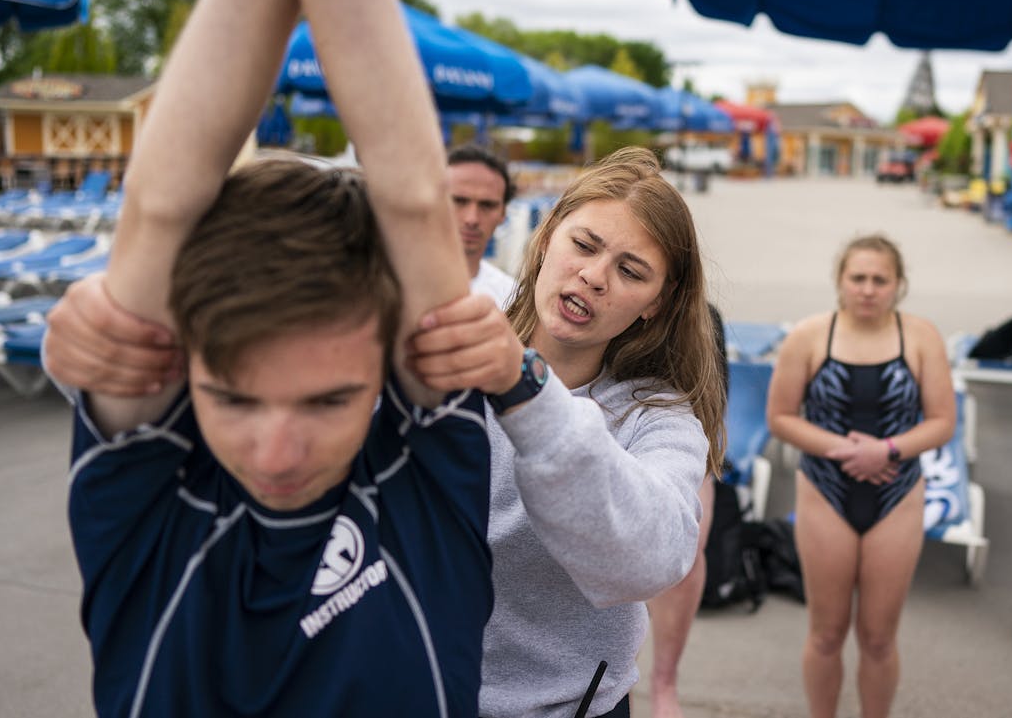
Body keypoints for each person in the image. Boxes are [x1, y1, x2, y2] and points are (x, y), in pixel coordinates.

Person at [41, 0, 495, 715]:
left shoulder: (423, 481)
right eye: (232, 395)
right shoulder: (145, 501)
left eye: (330, 397)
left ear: (388, 364)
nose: (277, 448)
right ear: (184, 364)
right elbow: (161, 206)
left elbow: (414, 198)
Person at [51, 145, 726, 718]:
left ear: (656, 303)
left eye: (630, 271)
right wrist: (100, 339)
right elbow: (279, 372)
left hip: (563, 705)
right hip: (393, 686)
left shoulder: (657, 417)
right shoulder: (442, 339)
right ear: (547, 235)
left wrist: (525, 387)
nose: (594, 275)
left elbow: (651, 559)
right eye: (585, 244)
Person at [766, 234, 955, 718]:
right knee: (826, 634)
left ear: (899, 285)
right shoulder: (809, 337)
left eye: (880, 279)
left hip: (897, 495)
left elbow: (942, 422)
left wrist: (886, 450)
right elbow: (781, 416)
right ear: (840, 282)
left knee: (878, 637)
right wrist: (842, 449)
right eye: (858, 278)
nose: (868, 289)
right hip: (825, 493)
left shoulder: (921, 337)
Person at [645, 305, 728, 718]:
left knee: (685, 554)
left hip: (685, 443)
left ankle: (664, 683)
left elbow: (712, 406)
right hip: (604, 427)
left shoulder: (703, 319)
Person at [447, 142, 519, 306]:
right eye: (459, 201)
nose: (472, 219)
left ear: (503, 213)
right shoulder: (391, 284)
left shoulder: (513, 299)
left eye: (487, 205)